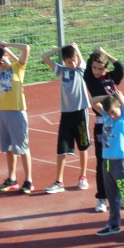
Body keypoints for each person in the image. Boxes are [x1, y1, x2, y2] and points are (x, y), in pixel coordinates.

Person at [40, 43, 92, 194]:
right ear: (64, 61)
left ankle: (83, 177)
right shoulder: (62, 71)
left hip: (80, 112)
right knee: (61, 149)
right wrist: (60, 48)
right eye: (69, 62)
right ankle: (59, 182)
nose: (72, 64)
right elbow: (44, 57)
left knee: (83, 146)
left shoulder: (81, 70)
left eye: (74, 60)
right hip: (66, 114)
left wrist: (76, 49)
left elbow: (81, 62)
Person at [93, 93, 124, 243]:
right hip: (107, 162)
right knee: (112, 196)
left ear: (119, 107)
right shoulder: (107, 117)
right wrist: (105, 97)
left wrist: (119, 97)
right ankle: (114, 224)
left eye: (114, 112)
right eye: (108, 113)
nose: (111, 115)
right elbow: (92, 102)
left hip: (120, 163)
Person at [84, 47, 124, 213]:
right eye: (94, 67)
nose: (96, 71)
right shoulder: (90, 78)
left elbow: (120, 67)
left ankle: (120, 197)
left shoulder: (111, 77)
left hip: (117, 121)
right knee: (102, 162)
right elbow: (94, 100)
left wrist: (105, 53)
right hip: (102, 123)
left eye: (100, 68)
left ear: (106, 68)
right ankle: (101, 197)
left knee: (118, 160)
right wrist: (110, 97)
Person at [0, 41, 33, 193]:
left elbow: (26, 48)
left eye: (3, 61)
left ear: (7, 56)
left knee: (22, 147)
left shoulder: (18, 67)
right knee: (8, 148)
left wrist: (7, 45)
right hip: (3, 111)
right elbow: (0, 51)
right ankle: (12, 179)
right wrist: (3, 49)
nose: (1, 65)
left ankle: (28, 181)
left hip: (17, 111)